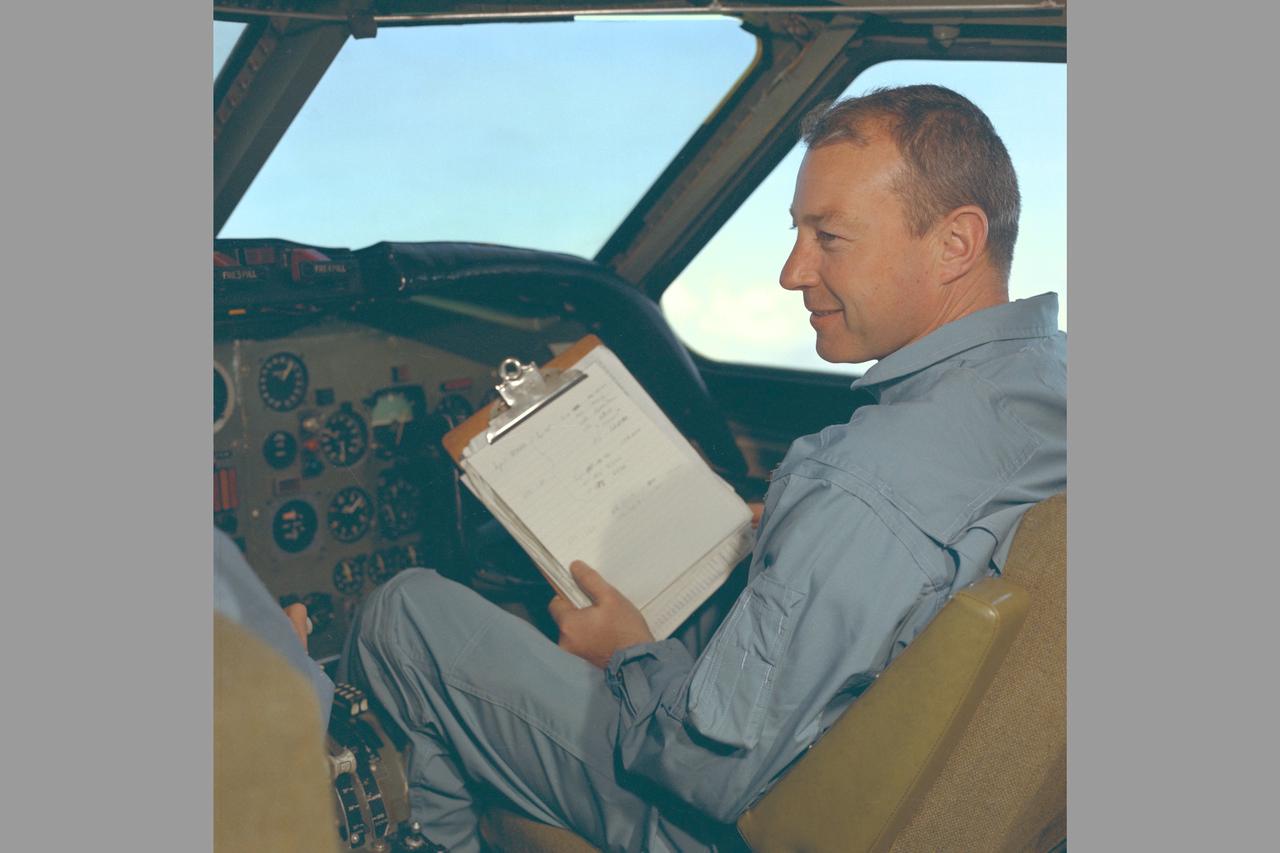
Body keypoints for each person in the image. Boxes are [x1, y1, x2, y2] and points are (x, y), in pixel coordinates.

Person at [340, 84, 1066, 852]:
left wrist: (623, 653)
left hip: (723, 820)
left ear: (955, 242)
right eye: (797, 232)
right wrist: (790, 533)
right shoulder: (1050, 382)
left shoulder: (865, 486)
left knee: (405, 615)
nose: (792, 271)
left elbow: (705, 764)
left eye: (829, 237)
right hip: (918, 794)